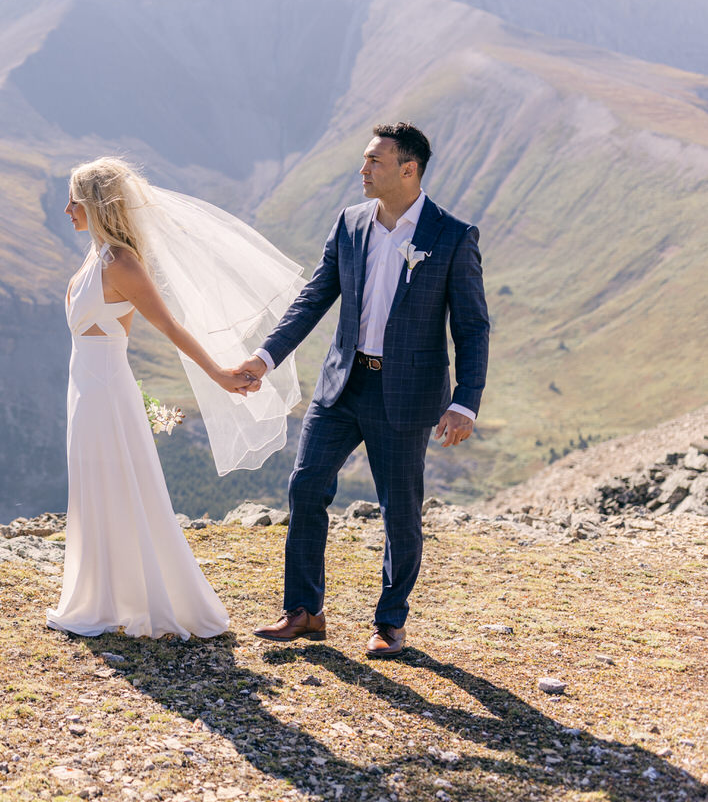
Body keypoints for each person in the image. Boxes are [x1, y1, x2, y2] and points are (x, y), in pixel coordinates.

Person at [236, 123, 490, 658]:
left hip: (408, 395)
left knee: (400, 511)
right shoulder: (350, 223)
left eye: (375, 161)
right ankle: (304, 610)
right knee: (306, 488)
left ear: (408, 169)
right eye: (364, 159)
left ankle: (390, 621)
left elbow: (472, 326)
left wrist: (464, 400)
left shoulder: (452, 236)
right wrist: (264, 358)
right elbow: (314, 298)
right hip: (342, 384)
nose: (363, 169)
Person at [46, 157, 304, 639]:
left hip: (104, 392)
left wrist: (219, 374)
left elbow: (169, 326)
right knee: (93, 485)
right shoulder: (94, 258)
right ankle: (100, 594)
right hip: (85, 390)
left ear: (97, 206)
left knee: (119, 485)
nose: (66, 209)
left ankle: (136, 600)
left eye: (75, 201)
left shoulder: (121, 263)